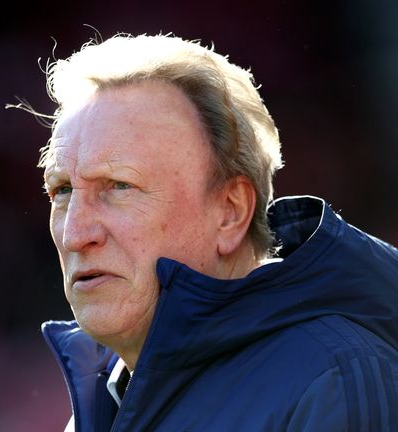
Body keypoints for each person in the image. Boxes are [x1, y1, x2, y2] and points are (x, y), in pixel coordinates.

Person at [32, 34, 398, 431]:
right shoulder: (107, 399)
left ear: (230, 212)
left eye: (120, 185)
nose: (75, 233)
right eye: (63, 190)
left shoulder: (333, 382)